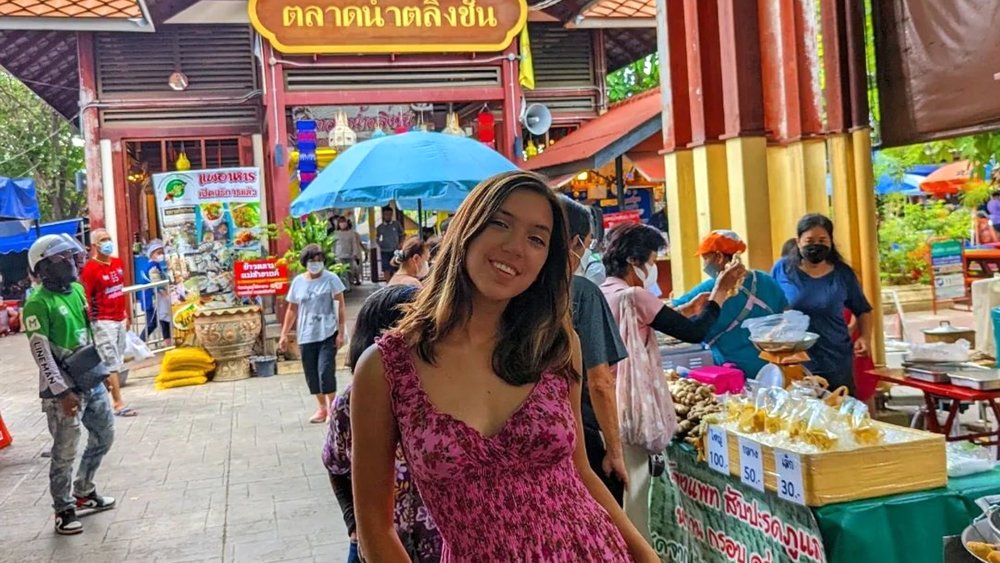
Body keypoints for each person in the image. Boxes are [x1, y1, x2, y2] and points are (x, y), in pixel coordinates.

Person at [352, 171, 658, 562]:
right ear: (467, 229)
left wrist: (647, 556)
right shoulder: (385, 368)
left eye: (536, 238)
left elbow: (580, 473)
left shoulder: (557, 347)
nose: (516, 248)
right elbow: (374, 530)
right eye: (500, 223)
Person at [599, 222, 744, 541]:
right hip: (630, 412)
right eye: (651, 261)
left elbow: (648, 322)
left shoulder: (603, 291)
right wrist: (720, 291)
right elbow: (694, 332)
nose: (653, 268)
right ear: (634, 262)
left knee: (617, 505)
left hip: (603, 410)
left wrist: (683, 308)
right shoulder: (634, 295)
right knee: (635, 501)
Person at [324, 285, 441, 563]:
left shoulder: (446, 393)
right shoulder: (353, 401)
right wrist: (354, 525)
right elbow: (336, 465)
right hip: (378, 550)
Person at [23, 234, 117, 535]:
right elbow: (41, 354)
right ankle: (63, 509)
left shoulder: (76, 290)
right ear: (44, 267)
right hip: (64, 392)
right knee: (64, 452)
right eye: (61, 259)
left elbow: (87, 330)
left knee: (104, 435)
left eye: (70, 256)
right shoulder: (37, 304)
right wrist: (63, 392)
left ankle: (84, 490)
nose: (71, 263)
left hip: (91, 379)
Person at [560, 196, 630, 504]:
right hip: (580, 436)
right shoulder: (582, 293)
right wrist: (614, 452)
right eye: (587, 244)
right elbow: (600, 382)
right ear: (575, 243)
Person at [771, 213, 873, 395]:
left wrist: (865, 337)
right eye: (809, 240)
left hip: (835, 358)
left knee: (839, 414)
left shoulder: (843, 273)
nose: (815, 245)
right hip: (794, 359)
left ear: (831, 241)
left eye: (822, 239)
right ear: (798, 241)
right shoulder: (783, 269)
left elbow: (863, 310)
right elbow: (769, 305)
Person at [673, 230, 788, 379]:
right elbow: (785, 314)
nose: (704, 264)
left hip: (730, 375)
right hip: (769, 372)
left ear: (719, 257)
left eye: (705, 258)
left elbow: (670, 314)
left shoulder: (711, 289)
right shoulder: (765, 280)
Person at [279, 244, 347, 423]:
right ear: (305, 262)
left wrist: (341, 331)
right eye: (312, 261)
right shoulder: (298, 282)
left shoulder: (331, 279)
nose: (316, 264)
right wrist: (284, 333)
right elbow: (292, 309)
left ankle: (332, 407)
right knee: (311, 373)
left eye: (319, 260)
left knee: (325, 370)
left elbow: (339, 306)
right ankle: (321, 408)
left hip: (327, 332)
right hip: (306, 334)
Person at [79, 229, 136, 417]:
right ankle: (118, 403)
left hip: (120, 317)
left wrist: (126, 313)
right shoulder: (90, 270)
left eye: (108, 238)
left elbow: (120, 290)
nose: (107, 242)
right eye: (103, 240)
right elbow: (87, 296)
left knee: (116, 360)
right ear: (95, 246)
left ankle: (101, 395)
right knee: (110, 361)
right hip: (103, 320)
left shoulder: (118, 263)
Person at [139, 240, 172, 346]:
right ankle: (140, 343)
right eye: (158, 253)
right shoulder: (152, 267)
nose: (161, 255)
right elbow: (156, 283)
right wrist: (164, 292)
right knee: (152, 323)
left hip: (154, 298)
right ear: (151, 254)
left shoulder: (154, 265)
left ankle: (168, 341)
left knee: (164, 319)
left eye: (162, 252)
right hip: (152, 299)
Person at [377, 206, 406, 281]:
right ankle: (388, 285)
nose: (388, 216)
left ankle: (396, 283)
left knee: (396, 268)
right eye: (386, 214)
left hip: (395, 250)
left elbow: (403, 235)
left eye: (390, 214)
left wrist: (401, 244)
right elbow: (377, 238)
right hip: (384, 251)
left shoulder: (396, 224)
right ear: (383, 215)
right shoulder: (380, 227)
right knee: (386, 269)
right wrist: (380, 244)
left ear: (392, 214)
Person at [334, 217, 365, 286]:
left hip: (349, 255)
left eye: (344, 222)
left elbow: (354, 244)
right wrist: (333, 254)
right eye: (341, 222)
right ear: (338, 224)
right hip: (339, 255)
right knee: (342, 272)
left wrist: (355, 253)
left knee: (350, 271)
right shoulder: (335, 233)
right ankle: (346, 286)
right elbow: (333, 245)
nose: (343, 224)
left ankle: (350, 284)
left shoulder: (351, 233)